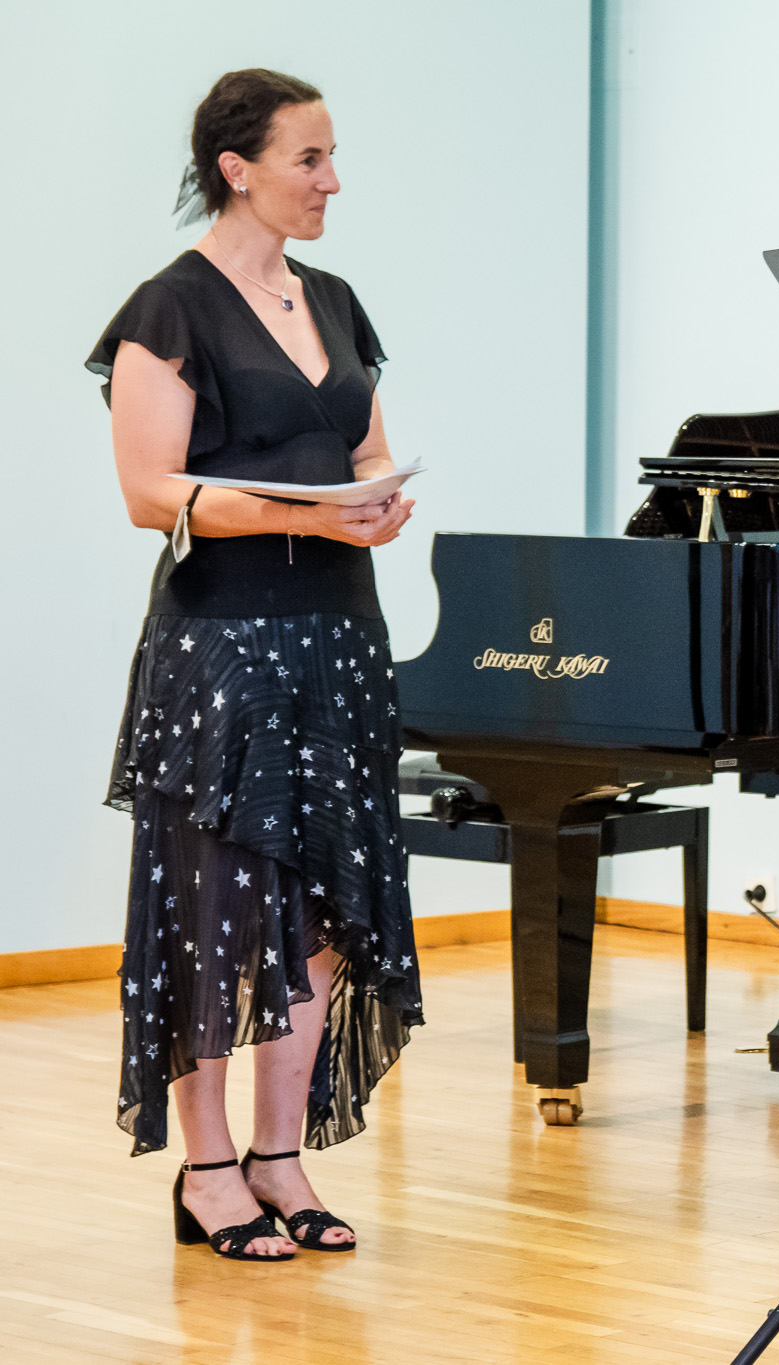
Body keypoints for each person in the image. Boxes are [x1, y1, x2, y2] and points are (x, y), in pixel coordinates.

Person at [87, 68, 424, 1261]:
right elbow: (150, 492)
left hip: (340, 633)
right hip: (223, 642)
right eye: (308, 159)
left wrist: (373, 503)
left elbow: (365, 444)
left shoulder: (333, 299)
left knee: (324, 905)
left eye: (331, 156)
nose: (332, 181)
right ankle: (209, 1169)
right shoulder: (170, 308)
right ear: (237, 169)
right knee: (217, 909)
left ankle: (282, 1158)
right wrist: (307, 514)